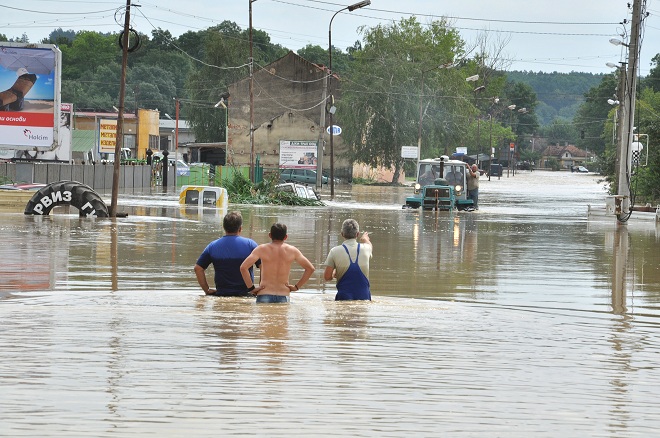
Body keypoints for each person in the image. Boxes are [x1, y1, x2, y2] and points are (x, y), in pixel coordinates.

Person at [240, 223, 315, 304]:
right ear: (286, 237)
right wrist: (296, 287)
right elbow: (310, 269)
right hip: (283, 295)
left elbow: (243, 267)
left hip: (264, 294)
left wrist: (251, 288)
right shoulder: (293, 251)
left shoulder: (261, 249)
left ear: (270, 235)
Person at [194, 211, 261, 296]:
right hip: (246, 294)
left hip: (221, 294)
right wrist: (258, 289)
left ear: (223, 227)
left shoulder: (213, 246)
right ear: (240, 228)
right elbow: (264, 267)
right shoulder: (250, 245)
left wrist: (206, 290)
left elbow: (198, 268)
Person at [323, 218, 373, 301]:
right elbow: (370, 246)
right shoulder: (366, 248)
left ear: (342, 234)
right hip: (364, 298)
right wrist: (365, 239)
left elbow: (327, 277)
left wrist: (336, 273)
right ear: (357, 234)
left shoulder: (334, 251)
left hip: (343, 298)